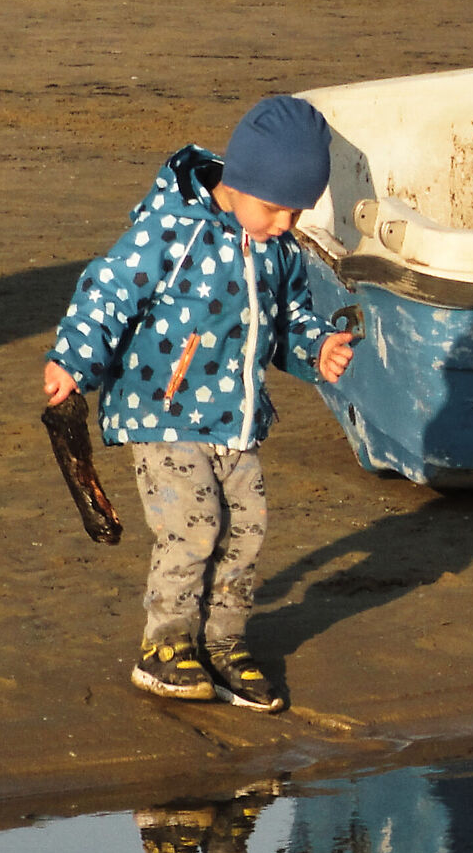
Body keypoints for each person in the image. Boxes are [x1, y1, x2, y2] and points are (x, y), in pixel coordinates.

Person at [44, 96, 354, 712]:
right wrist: (72, 361)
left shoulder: (277, 248)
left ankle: (223, 644)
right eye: (275, 208)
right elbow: (106, 290)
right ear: (237, 184)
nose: (286, 223)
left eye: (297, 211)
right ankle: (166, 645)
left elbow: (288, 321)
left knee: (246, 526)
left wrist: (316, 349)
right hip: (163, 410)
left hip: (235, 418)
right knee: (193, 523)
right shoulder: (170, 230)